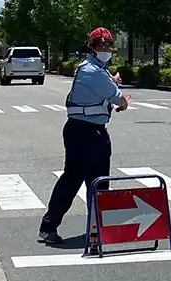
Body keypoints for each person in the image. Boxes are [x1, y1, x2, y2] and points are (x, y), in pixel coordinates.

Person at [38, 27, 129, 245]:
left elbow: (107, 86)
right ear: (92, 47)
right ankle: (49, 226)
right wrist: (122, 99)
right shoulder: (91, 70)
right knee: (73, 179)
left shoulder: (99, 69)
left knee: (99, 183)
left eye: (108, 44)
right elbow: (117, 98)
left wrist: (113, 83)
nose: (105, 48)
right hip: (83, 132)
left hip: (96, 131)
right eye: (101, 44)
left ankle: (97, 228)